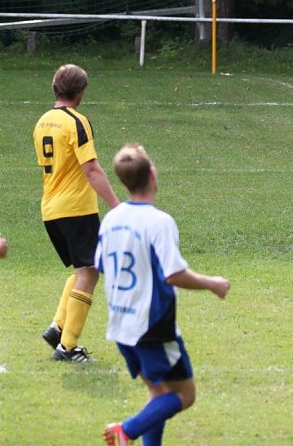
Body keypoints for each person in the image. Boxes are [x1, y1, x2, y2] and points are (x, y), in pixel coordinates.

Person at [97, 143, 230, 446]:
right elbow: (174, 274)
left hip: (120, 322)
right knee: (184, 394)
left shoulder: (111, 219)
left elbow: (102, 264)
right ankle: (127, 430)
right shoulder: (159, 222)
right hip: (152, 325)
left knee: (158, 393)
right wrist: (212, 283)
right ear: (153, 174)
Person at [34, 63, 120, 361]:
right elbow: (91, 168)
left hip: (51, 208)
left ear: (55, 87)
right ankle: (67, 347)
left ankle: (58, 327)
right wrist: (116, 205)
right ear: (81, 91)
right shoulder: (77, 121)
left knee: (85, 269)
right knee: (90, 272)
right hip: (76, 209)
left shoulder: (43, 121)